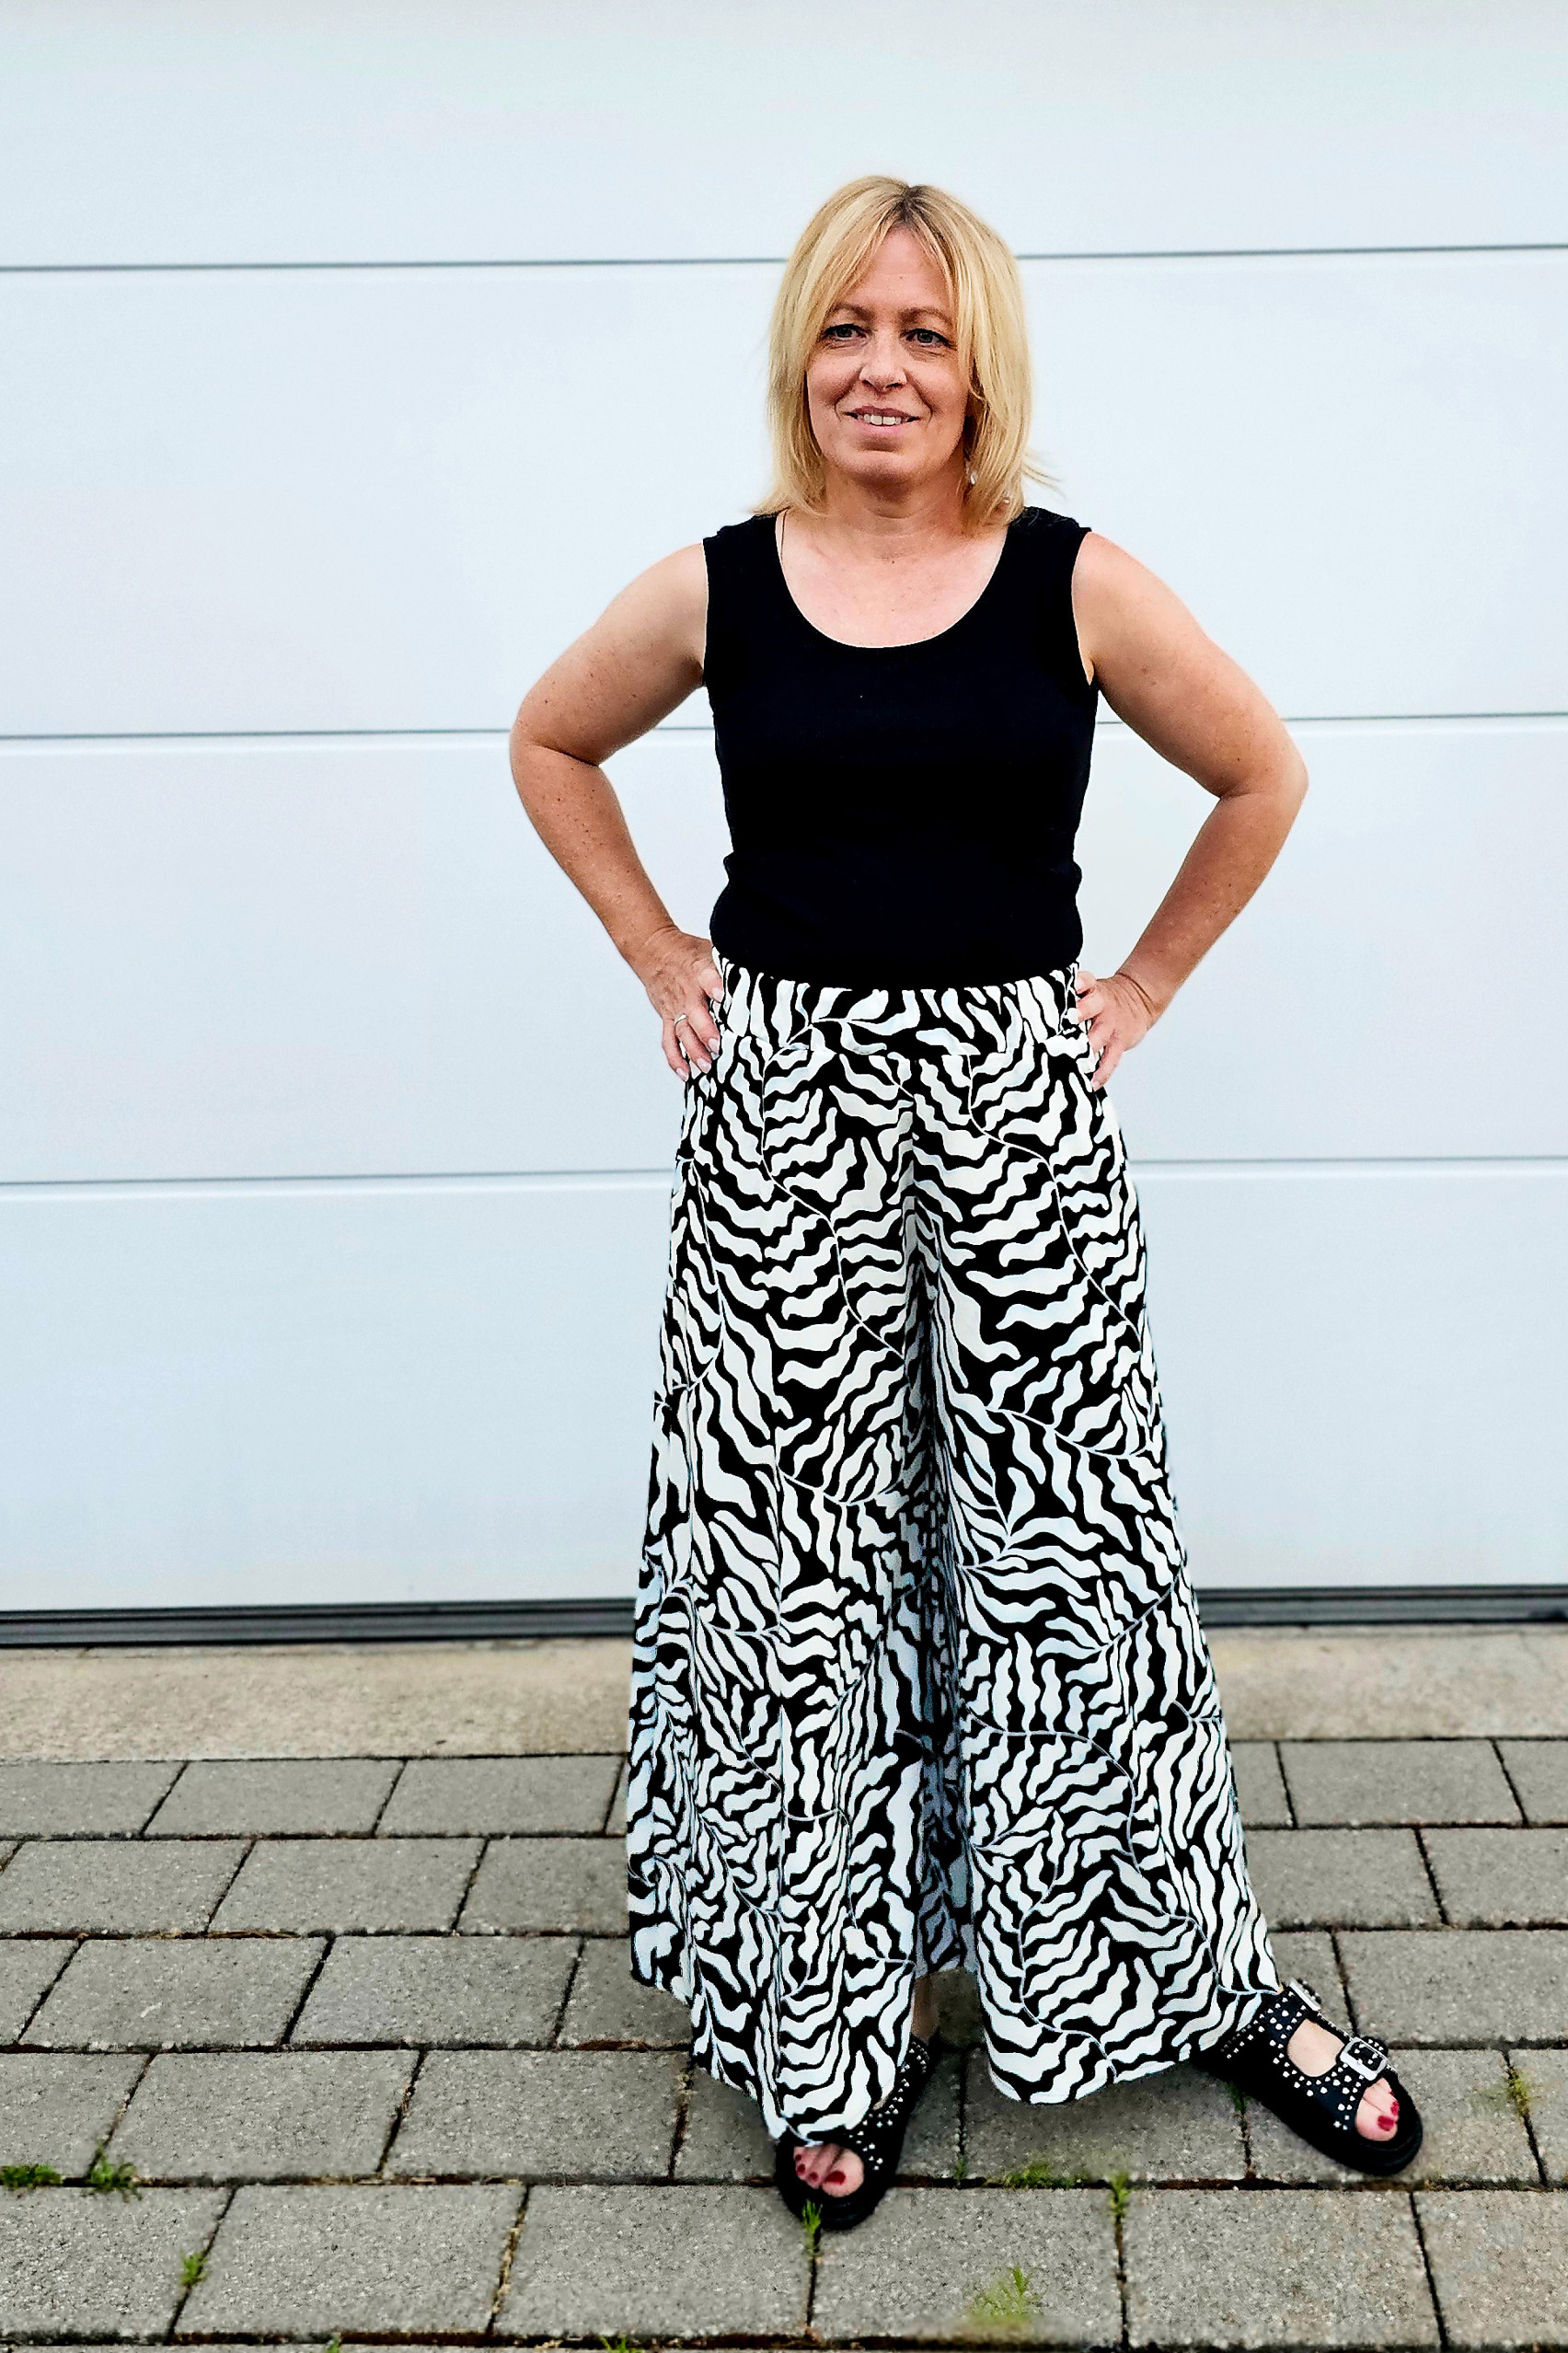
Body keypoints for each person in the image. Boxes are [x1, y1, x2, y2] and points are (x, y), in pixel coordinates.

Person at [510, 175, 1420, 2229]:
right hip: (785, 1110)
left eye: (923, 332)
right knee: (795, 1574)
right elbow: (551, 741)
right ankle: (821, 2025)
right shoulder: (715, 589)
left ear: (980, 362)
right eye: (847, 327)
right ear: (800, 354)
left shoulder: (1072, 581)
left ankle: (1185, 1977)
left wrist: (1142, 989)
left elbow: (1260, 772)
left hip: (1019, 1106)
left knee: (1068, 1553)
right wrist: (661, 954)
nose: (882, 368)